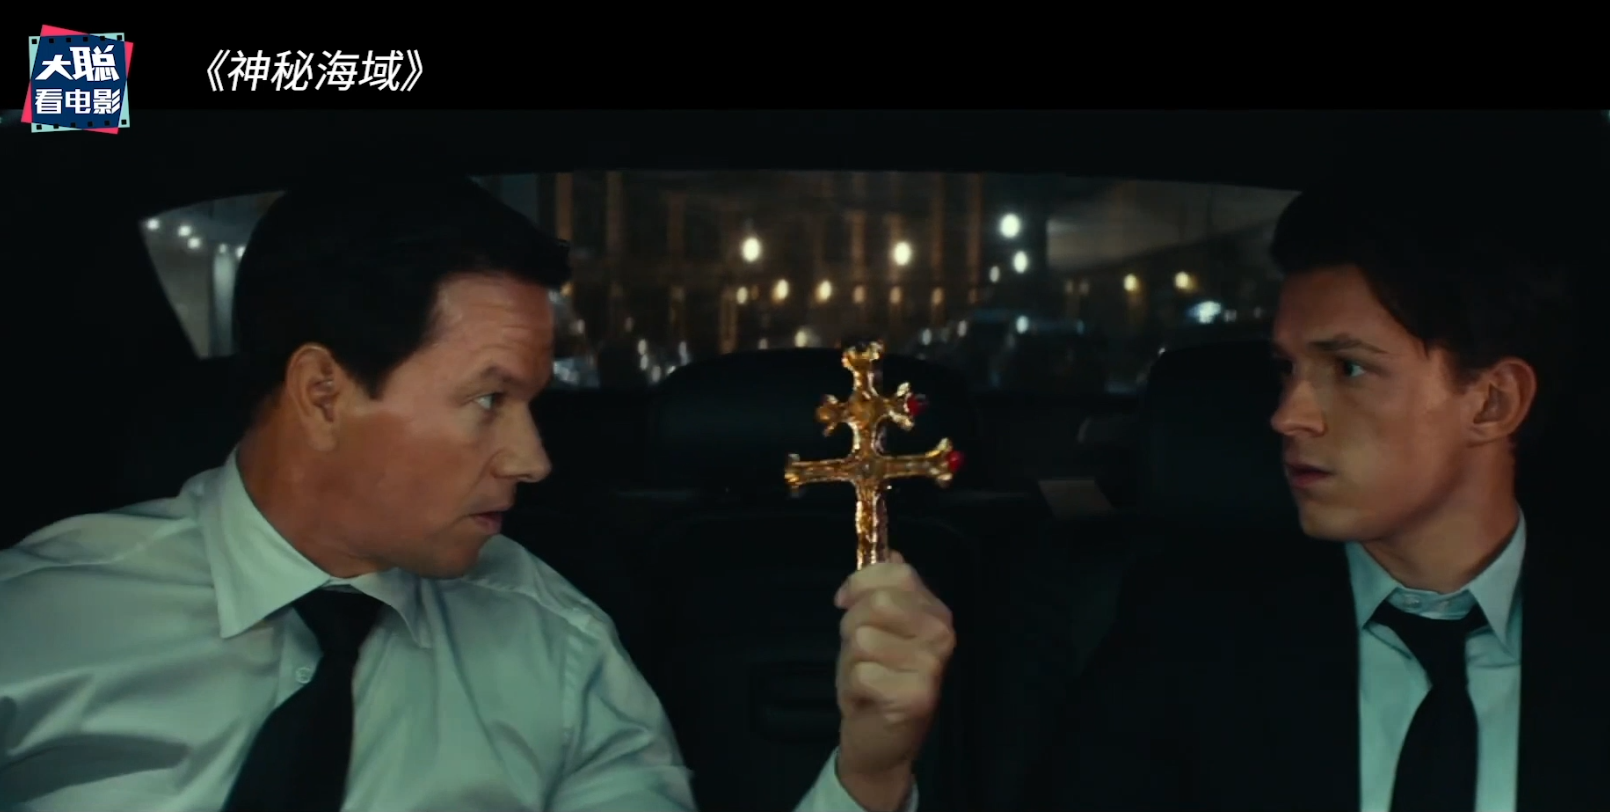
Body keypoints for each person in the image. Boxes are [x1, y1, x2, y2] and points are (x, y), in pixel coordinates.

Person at [0, 176, 954, 812]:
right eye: (488, 401)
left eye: (533, 403)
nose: (532, 460)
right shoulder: (39, 622)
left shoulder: (557, 650)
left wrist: (869, 775)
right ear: (323, 393)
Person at [1038, 185, 1610, 810]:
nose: (1288, 415)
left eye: (1349, 368)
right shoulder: (1190, 631)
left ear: (1491, 401)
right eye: (1286, 369)